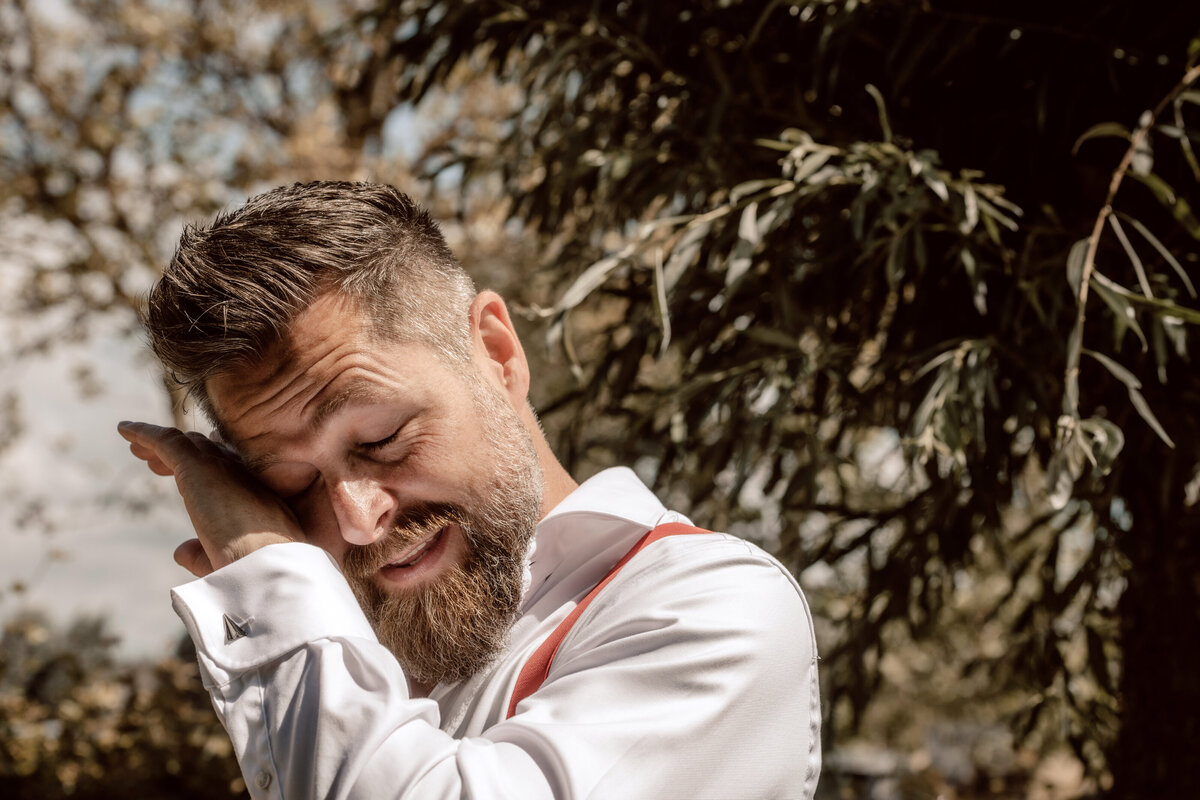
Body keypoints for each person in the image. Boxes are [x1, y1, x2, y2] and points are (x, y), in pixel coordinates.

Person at [117, 181, 821, 799]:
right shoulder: (357, 654)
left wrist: (266, 570)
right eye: (291, 483)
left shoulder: (710, 605)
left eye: (382, 438)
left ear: (497, 355)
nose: (358, 521)